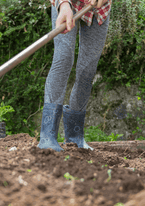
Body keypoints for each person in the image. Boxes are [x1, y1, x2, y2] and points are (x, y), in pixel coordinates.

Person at [38, 0, 111, 152]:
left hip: (99, 8)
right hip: (68, 3)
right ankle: (47, 136)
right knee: (63, 59)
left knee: (88, 69)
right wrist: (63, 4)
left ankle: (74, 137)